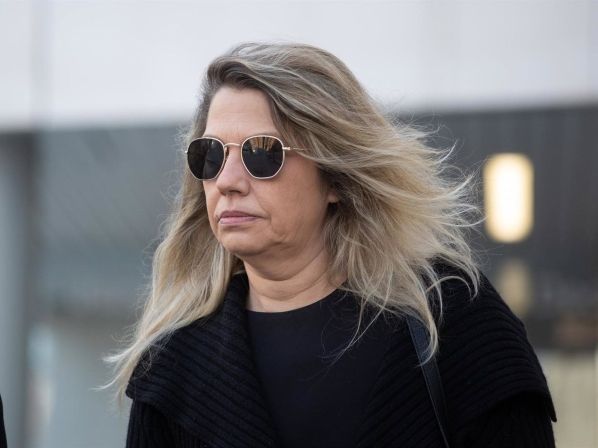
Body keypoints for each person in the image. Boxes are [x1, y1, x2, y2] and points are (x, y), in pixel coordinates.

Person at [104, 41, 557, 447]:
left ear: (335, 178)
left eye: (262, 152)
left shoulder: (453, 317)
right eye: (211, 155)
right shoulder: (173, 367)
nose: (228, 181)